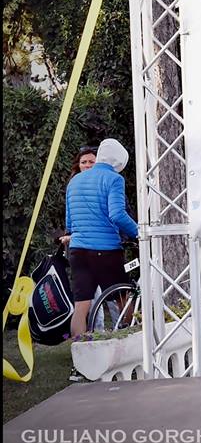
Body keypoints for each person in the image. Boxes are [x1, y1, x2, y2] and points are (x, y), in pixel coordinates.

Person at [65, 138, 139, 338]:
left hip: (78, 250)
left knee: (81, 305)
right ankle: (131, 342)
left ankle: (80, 357)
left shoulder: (74, 182)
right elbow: (117, 215)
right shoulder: (114, 179)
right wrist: (139, 232)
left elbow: (69, 223)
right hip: (106, 250)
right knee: (122, 297)